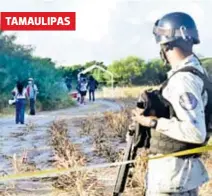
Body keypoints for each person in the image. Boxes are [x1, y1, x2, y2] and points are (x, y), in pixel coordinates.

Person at [131, 12, 209, 195]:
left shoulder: (182, 80)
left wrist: (151, 122)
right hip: (181, 175)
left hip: (173, 175)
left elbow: (196, 132)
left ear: (165, 45)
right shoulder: (196, 73)